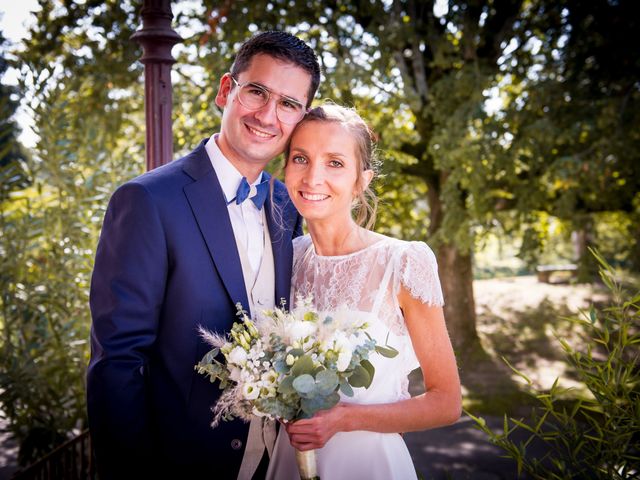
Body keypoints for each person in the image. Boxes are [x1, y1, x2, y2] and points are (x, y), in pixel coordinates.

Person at [87, 31, 320, 480]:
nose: (268, 116)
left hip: (277, 463)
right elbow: (117, 362)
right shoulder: (147, 201)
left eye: (289, 104)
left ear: (300, 119)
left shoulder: (288, 205)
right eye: (257, 92)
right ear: (225, 91)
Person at [266, 104, 462, 480]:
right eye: (300, 158)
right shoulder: (283, 258)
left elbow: (446, 402)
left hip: (370, 465)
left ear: (362, 180)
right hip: (288, 462)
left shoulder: (403, 262)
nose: (313, 177)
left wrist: (345, 419)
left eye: (335, 163)